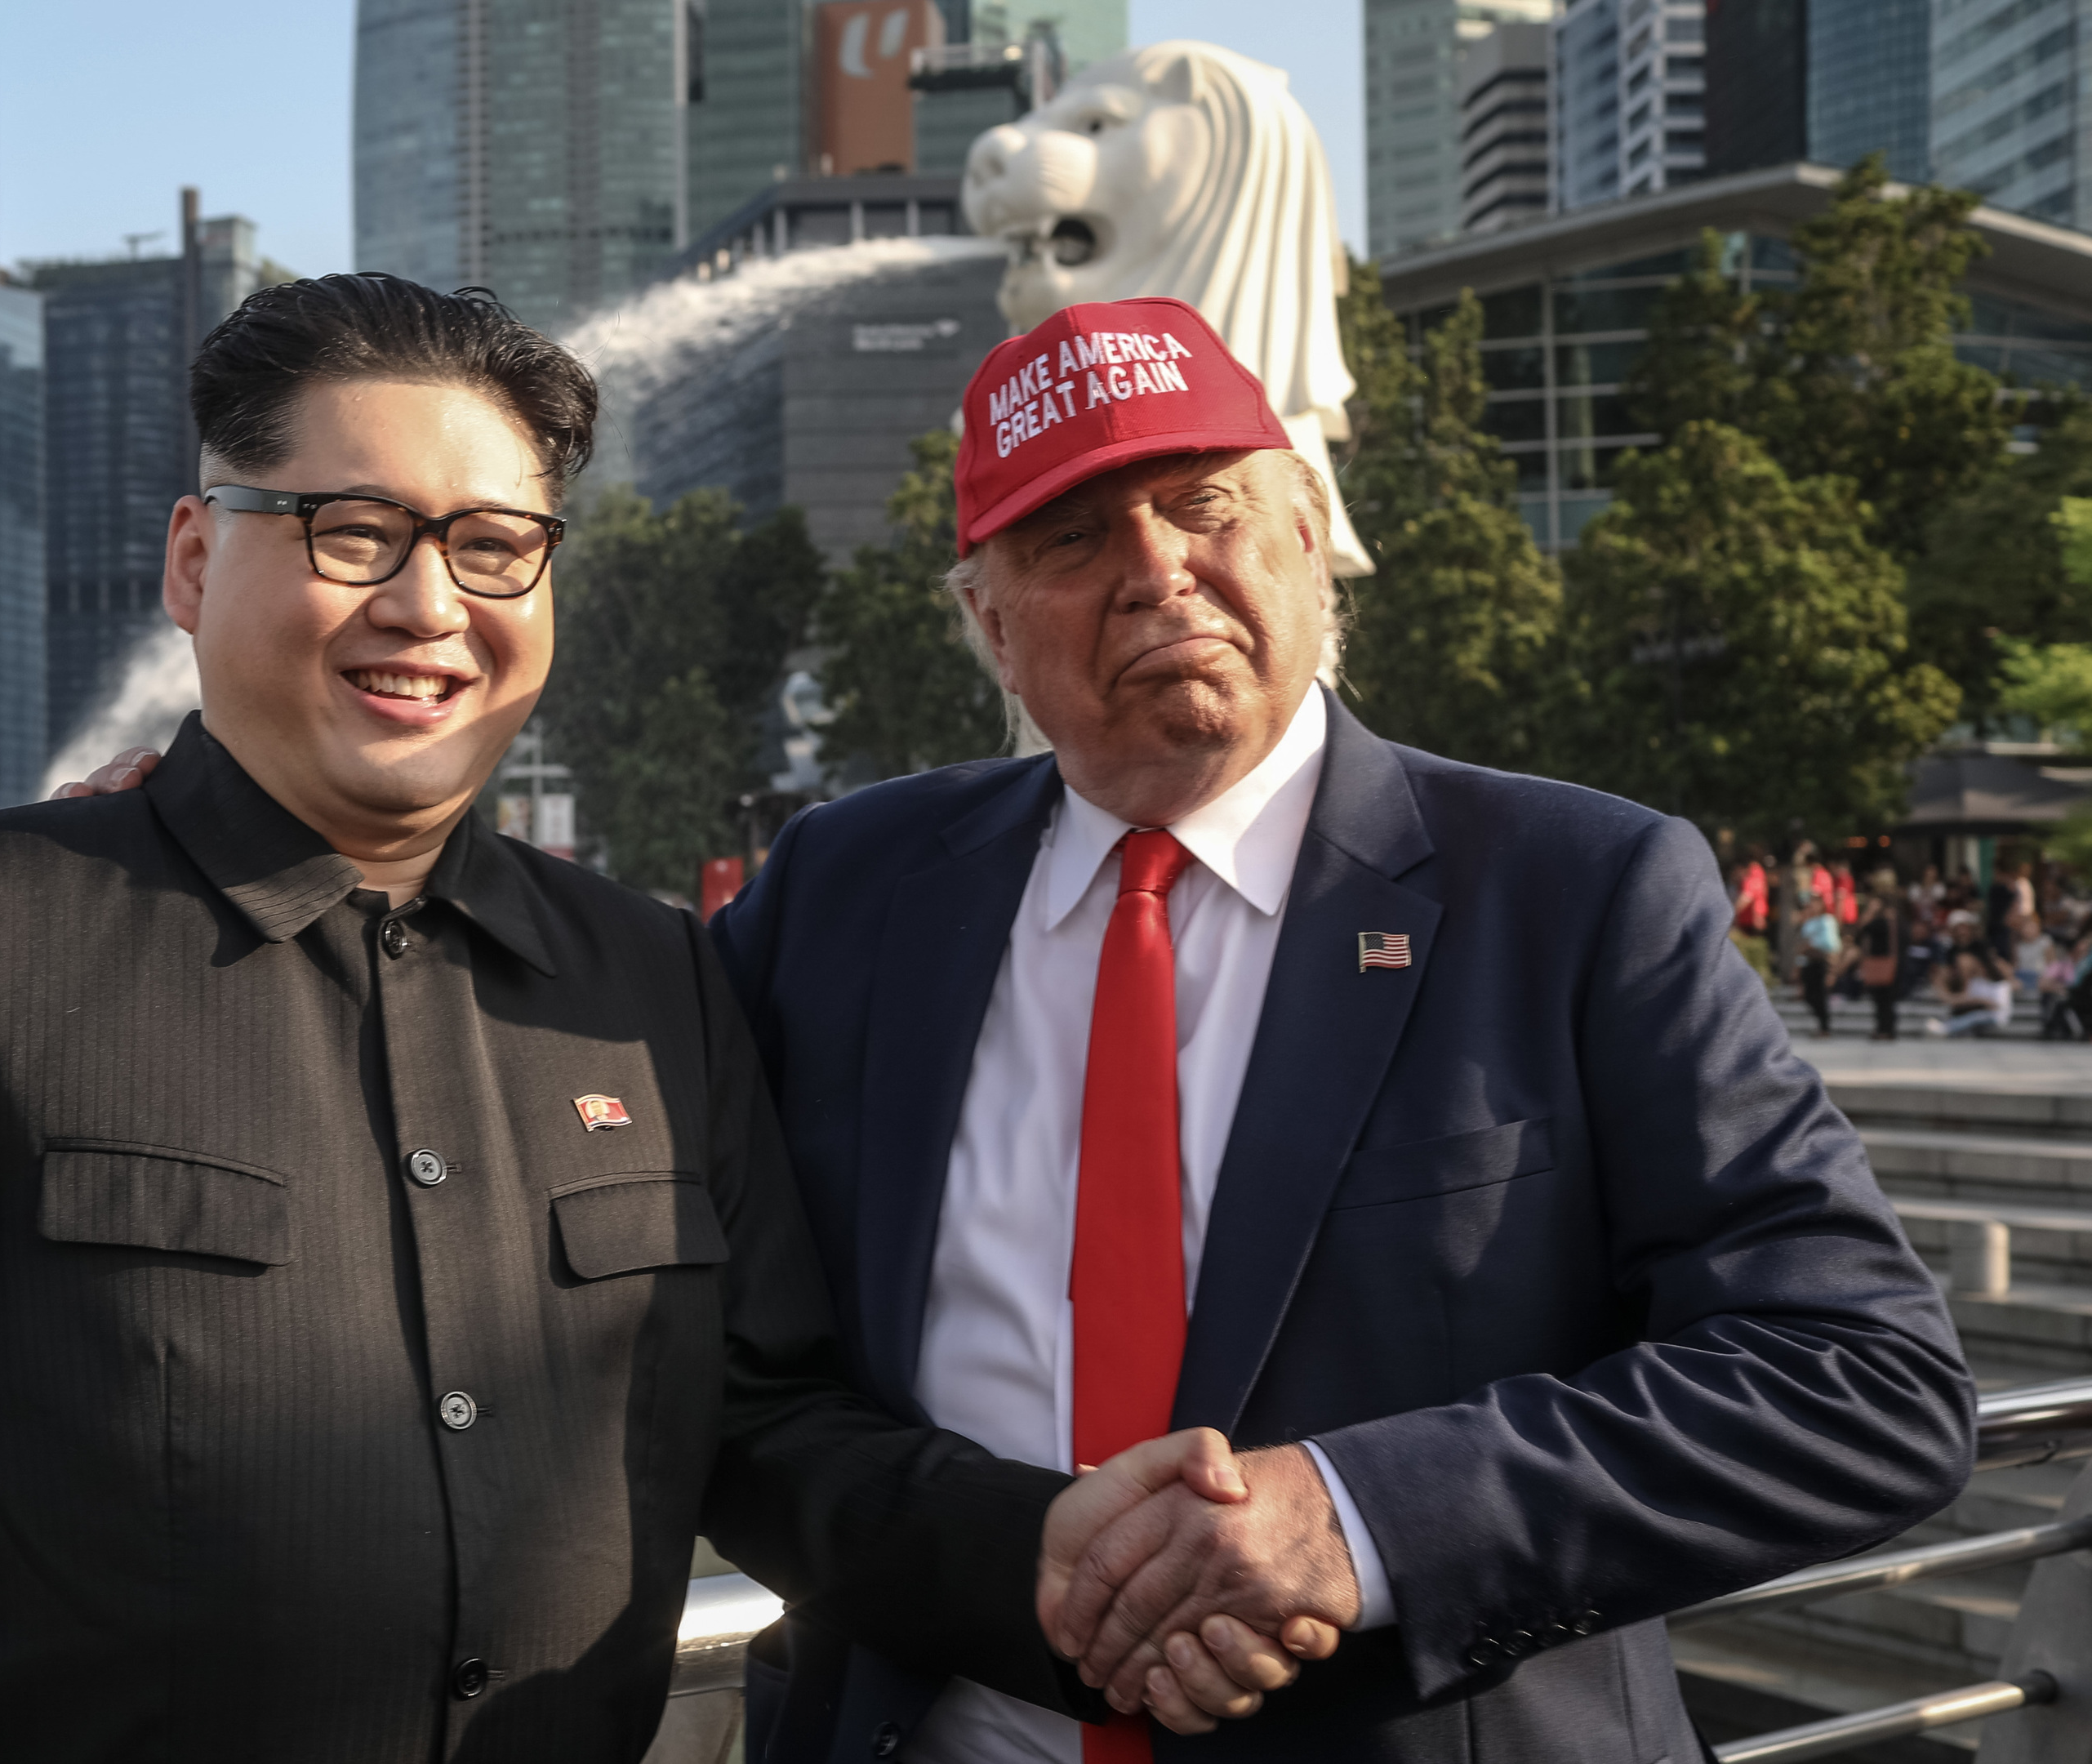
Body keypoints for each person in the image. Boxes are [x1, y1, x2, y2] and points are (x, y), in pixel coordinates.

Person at [0, 277, 1307, 1764]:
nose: (426, 602)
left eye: (491, 545)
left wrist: (1049, 1551)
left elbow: (769, 1422)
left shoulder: (652, 979)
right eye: (351, 529)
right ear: (192, 559)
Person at [709, 296, 1970, 1759]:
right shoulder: (845, 892)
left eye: (1204, 506)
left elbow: (1862, 1380)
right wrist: (1010, 1558)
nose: (1158, 569)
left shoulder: (1575, 891)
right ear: (988, 623)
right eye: (1072, 538)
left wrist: (1357, 1518)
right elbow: (730, 1377)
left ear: (1312, 540)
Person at [1930, 948, 2016, 1037]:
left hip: (1996, 1017)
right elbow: (1968, 998)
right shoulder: (1976, 982)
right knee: (1969, 1014)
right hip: (1980, 1012)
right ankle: (1947, 1026)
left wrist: (1981, 1002)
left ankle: (1946, 1029)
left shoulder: (2002, 985)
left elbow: (1998, 1006)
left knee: (1975, 1016)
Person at [1858, 879, 1903, 1041]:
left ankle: (1885, 1030)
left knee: (1883, 1000)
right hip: (1892, 964)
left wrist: (1869, 912)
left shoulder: (1881, 922)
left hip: (1884, 965)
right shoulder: (1895, 921)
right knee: (1885, 1001)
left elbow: (1862, 928)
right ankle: (1886, 1029)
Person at [1798, 890, 1841, 1036]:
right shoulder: (1808, 922)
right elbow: (1802, 946)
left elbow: (1831, 943)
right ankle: (1821, 1024)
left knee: (1821, 995)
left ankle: (1824, 1027)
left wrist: (1812, 944)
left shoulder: (1827, 920)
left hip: (1822, 961)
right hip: (1809, 963)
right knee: (1809, 996)